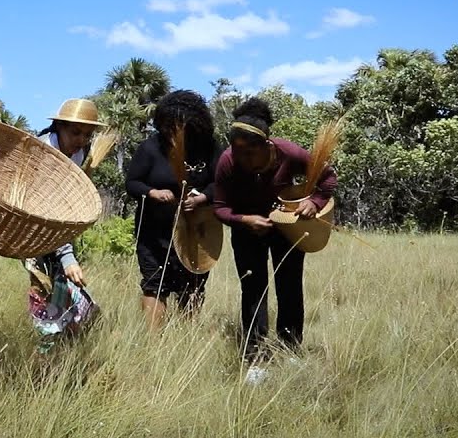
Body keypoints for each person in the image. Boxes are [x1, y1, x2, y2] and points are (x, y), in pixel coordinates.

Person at [211, 97, 336, 376]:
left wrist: (314, 202)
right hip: (247, 231)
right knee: (253, 289)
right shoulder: (227, 161)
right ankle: (255, 356)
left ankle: (290, 348)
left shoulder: (289, 153)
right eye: (239, 153)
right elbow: (219, 208)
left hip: (287, 229)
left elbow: (327, 177)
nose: (244, 160)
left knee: (289, 286)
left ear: (266, 145)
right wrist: (243, 220)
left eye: (250, 153)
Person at [125, 90, 219, 331]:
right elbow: (132, 183)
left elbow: (221, 183)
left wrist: (202, 197)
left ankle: (186, 338)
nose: (170, 132)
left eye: (177, 126)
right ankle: (153, 341)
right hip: (154, 232)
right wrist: (152, 193)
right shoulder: (151, 147)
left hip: (196, 232)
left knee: (194, 284)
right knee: (154, 283)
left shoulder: (209, 148)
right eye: (166, 126)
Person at [24, 99, 103, 349]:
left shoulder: (81, 153)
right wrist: (67, 256)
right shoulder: (43, 153)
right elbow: (48, 212)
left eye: (88, 135)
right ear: (59, 127)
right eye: (75, 132)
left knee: (61, 286)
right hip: (31, 228)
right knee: (42, 284)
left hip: (60, 232)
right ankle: (46, 348)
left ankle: (61, 342)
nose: (81, 140)